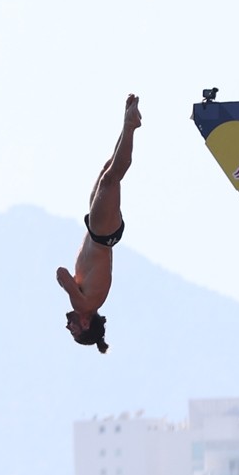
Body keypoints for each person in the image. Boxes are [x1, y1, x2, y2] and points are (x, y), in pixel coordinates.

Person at [57, 93, 141, 352]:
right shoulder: (82, 305)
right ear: (85, 323)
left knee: (108, 171)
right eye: (74, 331)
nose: (67, 326)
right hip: (102, 234)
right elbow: (61, 274)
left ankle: (127, 124)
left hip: (102, 232)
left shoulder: (89, 302)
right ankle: (130, 125)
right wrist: (70, 287)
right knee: (112, 177)